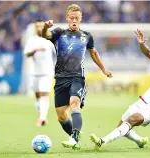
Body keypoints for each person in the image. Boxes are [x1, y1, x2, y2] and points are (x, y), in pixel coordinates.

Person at [41, 4, 112, 150]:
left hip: (77, 77)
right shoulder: (59, 33)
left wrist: (104, 69)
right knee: (61, 115)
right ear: (67, 18)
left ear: (80, 19)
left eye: (77, 18)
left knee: (74, 103)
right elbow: (45, 35)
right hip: (60, 79)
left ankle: (74, 137)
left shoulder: (86, 36)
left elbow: (94, 53)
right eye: (72, 17)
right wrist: (45, 27)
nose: (74, 20)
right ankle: (76, 139)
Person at [24, 20, 55, 127]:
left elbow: (58, 52)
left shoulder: (50, 40)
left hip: (47, 72)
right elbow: (27, 54)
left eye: (41, 26)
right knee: (37, 93)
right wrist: (36, 50)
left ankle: (42, 118)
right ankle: (39, 105)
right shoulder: (31, 40)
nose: (39, 28)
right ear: (34, 28)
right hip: (34, 72)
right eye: (37, 26)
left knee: (44, 93)